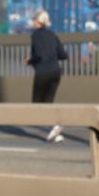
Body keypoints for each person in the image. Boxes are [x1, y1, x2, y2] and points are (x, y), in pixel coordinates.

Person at [26, 10, 68, 142]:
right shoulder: (52, 34)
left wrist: (30, 61)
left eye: (34, 19)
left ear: (39, 22)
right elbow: (63, 55)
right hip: (55, 72)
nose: (33, 22)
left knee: (37, 104)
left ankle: (55, 126)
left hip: (43, 73)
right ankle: (56, 133)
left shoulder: (35, 35)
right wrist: (51, 55)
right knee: (48, 102)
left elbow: (38, 55)